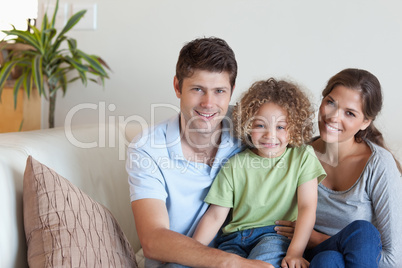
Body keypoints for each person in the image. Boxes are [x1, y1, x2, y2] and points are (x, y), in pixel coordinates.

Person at [127, 37, 272, 268]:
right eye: (197, 89)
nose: (208, 103)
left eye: (219, 91)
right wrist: (231, 264)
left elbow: (299, 151)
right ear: (177, 86)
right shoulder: (147, 148)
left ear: (231, 91)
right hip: (180, 262)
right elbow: (153, 239)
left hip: (240, 248)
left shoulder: (249, 129)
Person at [193, 78, 326, 268]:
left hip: (275, 236)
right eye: (260, 125)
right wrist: (194, 251)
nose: (270, 135)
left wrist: (295, 252)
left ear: (294, 129)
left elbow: (307, 207)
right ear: (248, 125)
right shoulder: (235, 164)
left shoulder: (302, 157)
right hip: (233, 239)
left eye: (280, 127)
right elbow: (215, 216)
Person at [275, 68, 402, 268]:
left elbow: (394, 259)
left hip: (355, 259)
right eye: (330, 103)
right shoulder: (297, 153)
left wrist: (316, 238)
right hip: (307, 258)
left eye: (350, 113)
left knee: (356, 238)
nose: (333, 117)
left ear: (365, 122)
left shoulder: (379, 165)